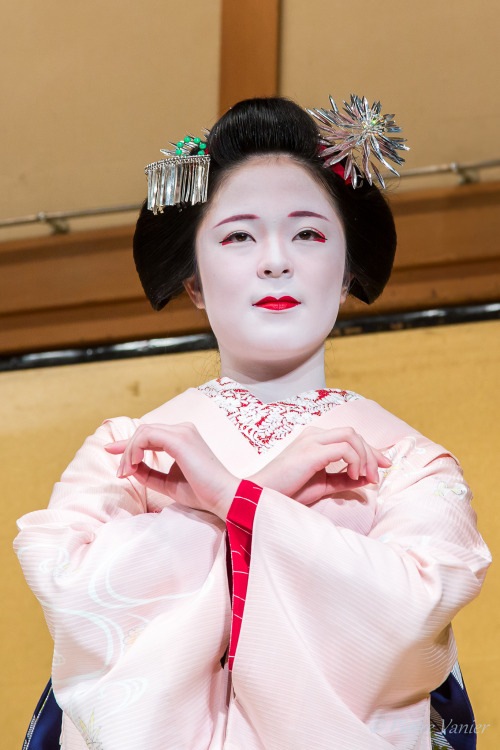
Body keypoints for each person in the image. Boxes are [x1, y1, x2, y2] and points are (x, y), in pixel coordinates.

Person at [15, 96, 490, 750]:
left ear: (347, 271)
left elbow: (410, 614)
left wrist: (232, 501)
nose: (275, 260)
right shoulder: (122, 454)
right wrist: (259, 492)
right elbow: (81, 604)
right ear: (195, 283)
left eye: (308, 233)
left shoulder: (409, 462)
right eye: (239, 235)